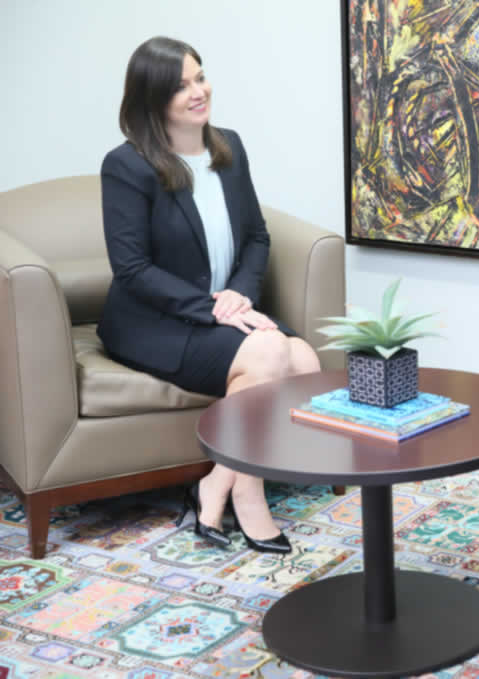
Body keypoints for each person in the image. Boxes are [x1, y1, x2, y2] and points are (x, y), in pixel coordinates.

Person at [99, 37, 321, 554]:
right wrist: (213, 308)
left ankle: (217, 482)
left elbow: (257, 238)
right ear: (153, 99)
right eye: (182, 85)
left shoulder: (229, 147)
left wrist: (239, 297)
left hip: (222, 308)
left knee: (307, 362)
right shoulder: (126, 167)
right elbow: (131, 269)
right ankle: (252, 496)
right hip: (154, 320)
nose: (199, 91)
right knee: (270, 352)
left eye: (200, 77)